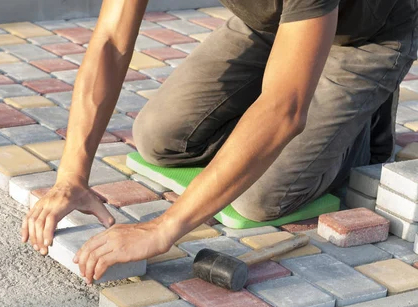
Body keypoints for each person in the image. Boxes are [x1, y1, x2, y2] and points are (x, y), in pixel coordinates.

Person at [22, 0, 418, 284]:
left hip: (367, 37)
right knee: (158, 138)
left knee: (262, 195)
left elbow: (285, 108)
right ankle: (279, 104)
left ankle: (366, 120)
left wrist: (164, 228)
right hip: (273, 25)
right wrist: (70, 178)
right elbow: (110, 41)